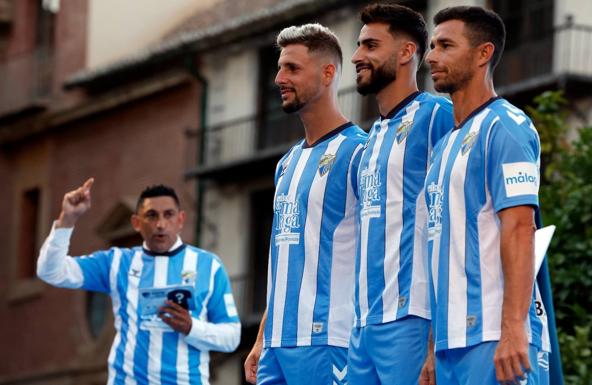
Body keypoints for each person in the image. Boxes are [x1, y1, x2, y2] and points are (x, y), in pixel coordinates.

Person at [421, 6, 550, 385]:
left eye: (445, 45)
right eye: (431, 46)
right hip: (450, 343)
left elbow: (520, 229)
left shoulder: (507, 127)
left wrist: (513, 330)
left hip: (494, 338)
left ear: (483, 54)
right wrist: (433, 347)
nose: (431, 56)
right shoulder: (443, 147)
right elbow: (439, 249)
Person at [243, 24, 367, 385]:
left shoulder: (360, 151)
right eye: (280, 68)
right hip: (277, 347)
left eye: (292, 69)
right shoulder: (287, 163)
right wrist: (263, 335)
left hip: (330, 341)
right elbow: (284, 259)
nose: (280, 78)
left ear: (328, 73)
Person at [37, 180, 241, 384]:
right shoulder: (116, 262)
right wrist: (67, 220)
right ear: (136, 223)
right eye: (151, 215)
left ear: (180, 220)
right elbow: (51, 271)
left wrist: (192, 327)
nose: (160, 224)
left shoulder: (209, 265)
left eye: (168, 215)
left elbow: (232, 337)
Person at [348, 4, 454, 385]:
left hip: (412, 317)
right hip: (362, 324)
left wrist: (435, 335)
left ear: (407, 52)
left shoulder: (438, 114)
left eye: (371, 45)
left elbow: (454, 220)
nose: (358, 56)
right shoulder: (370, 138)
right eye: (359, 46)